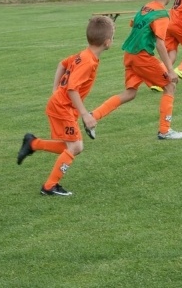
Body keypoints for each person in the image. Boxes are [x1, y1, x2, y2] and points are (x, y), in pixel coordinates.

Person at [16, 16, 115, 196]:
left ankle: (33, 143)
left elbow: (62, 64)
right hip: (62, 107)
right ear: (107, 42)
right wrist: (85, 114)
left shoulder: (84, 55)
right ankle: (49, 186)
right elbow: (72, 88)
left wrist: (55, 89)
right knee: (75, 147)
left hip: (62, 105)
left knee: (74, 146)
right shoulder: (88, 61)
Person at [87, 0, 182, 140]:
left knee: (130, 93)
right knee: (170, 85)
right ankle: (165, 130)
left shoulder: (145, 7)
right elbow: (160, 43)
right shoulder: (162, 14)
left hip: (129, 55)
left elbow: (134, 23)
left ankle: (93, 116)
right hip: (141, 56)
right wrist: (170, 70)